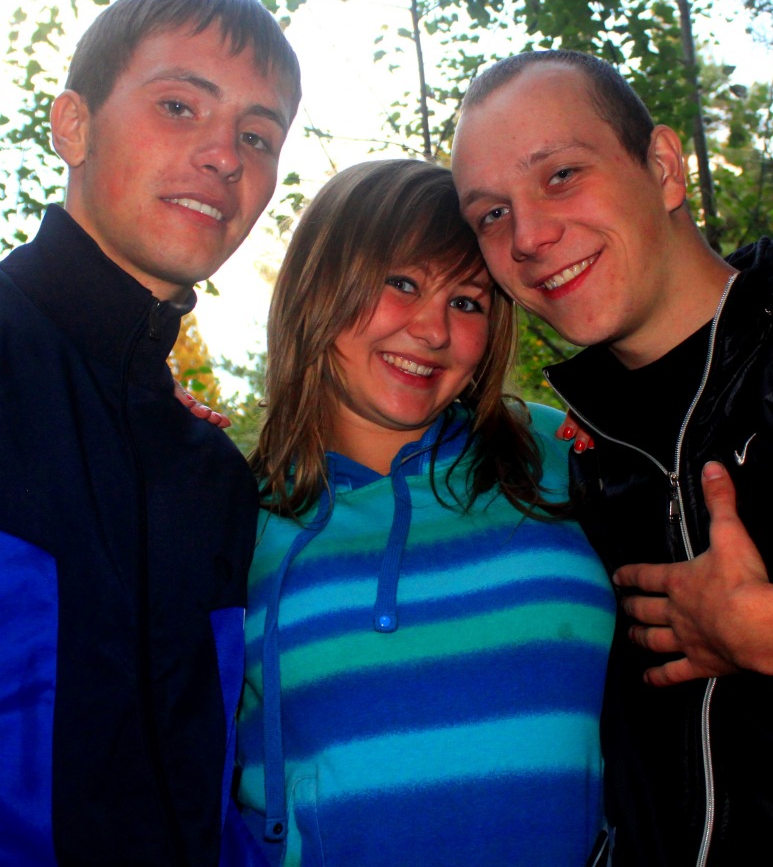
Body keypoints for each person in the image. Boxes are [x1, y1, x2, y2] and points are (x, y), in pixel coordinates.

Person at [234, 158, 615, 867]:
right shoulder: (231, 516)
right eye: (402, 283)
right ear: (318, 283)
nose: (433, 330)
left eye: (467, 302)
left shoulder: (557, 451)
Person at [0, 0, 300, 866]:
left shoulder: (210, 473)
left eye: (257, 136)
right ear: (74, 125)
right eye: (178, 106)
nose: (224, 155)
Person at [451, 48, 773, 865]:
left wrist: (759, 631)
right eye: (491, 214)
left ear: (662, 167)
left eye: (560, 175)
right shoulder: (577, 465)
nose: (528, 236)